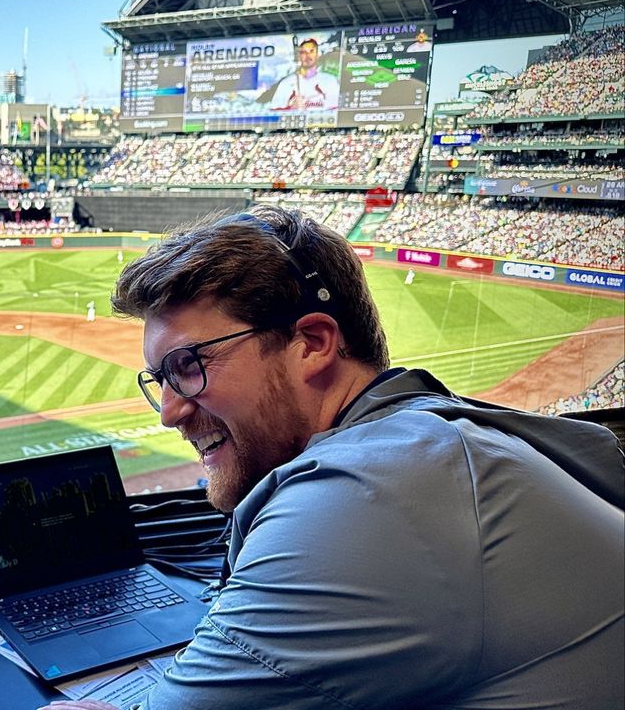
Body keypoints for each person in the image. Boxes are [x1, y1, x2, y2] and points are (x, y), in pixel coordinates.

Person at [43, 207, 624, 710]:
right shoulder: (429, 442)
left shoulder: (370, 494)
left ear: (314, 344)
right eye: (159, 378)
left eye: (188, 366)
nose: (169, 412)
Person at [268, 38, 340, 112]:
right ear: (299, 56)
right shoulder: (286, 83)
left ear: (318, 55)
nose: (307, 55)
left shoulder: (330, 80)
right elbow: (274, 112)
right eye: (303, 52)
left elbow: (337, 109)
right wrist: (291, 108)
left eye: (311, 51)